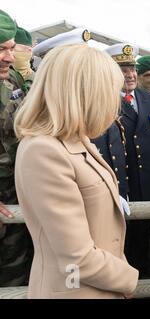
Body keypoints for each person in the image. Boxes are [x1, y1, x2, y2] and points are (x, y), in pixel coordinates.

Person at [14, 43, 139, 298]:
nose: (116, 102)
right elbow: (78, 258)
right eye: (110, 91)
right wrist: (130, 279)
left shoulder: (75, 139)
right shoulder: (44, 151)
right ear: (86, 93)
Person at [105, 43, 150, 278]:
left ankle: (142, 267)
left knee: (144, 227)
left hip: (147, 176)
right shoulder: (106, 100)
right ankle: (123, 271)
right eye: (123, 69)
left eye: (132, 68)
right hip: (123, 177)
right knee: (122, 230)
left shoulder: (148, 98)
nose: (130, 74)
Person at [0, 9, 33, 288]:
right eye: (1, 49)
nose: (9, 58)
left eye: (11, 49)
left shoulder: (11, 81)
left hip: (15, 202)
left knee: (16, 282)